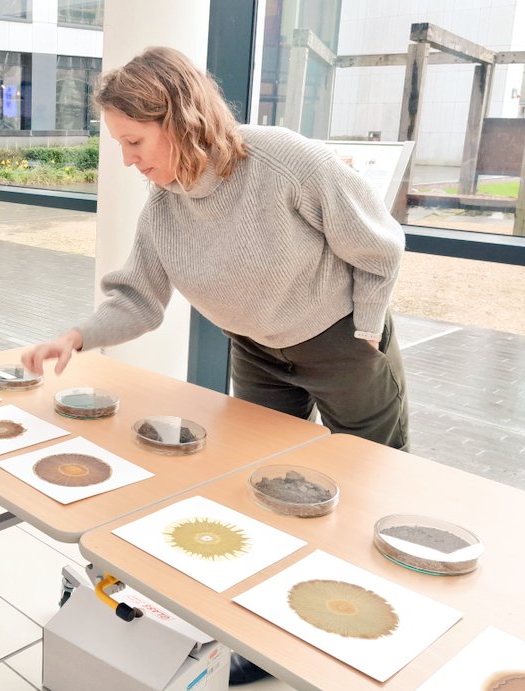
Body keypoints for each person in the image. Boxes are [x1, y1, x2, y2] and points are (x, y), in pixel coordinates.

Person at [20, 46, 408, 684]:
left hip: (342, 343)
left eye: (136, 140)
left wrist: (366, 326)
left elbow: (378, 244)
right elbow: (139, 299)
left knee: (366, 489)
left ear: (180, 118)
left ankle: (362, 636)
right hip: (256, 349)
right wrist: (76, 336)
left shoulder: (282, 160)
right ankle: (257, 638)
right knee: (262, 490)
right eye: (120, 143)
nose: (129, 159)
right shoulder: (167, 205)